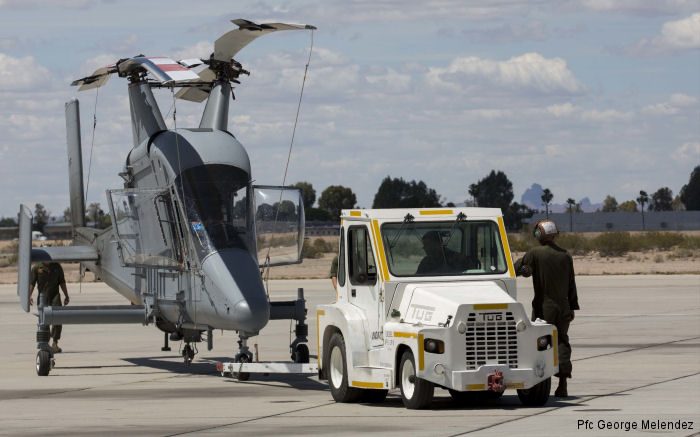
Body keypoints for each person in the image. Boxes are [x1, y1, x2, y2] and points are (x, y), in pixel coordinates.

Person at [514, 219, 579, 397]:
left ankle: (540, 381)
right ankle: (563, 383)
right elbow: (571, 283)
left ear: (539, 234)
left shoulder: (535, 253)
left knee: (540, 344)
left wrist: (525, 269)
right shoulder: (565, 255)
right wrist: (572, 306)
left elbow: (516, 269)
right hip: (564, 308)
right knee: (562, 342)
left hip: (545, 308)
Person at [29, 262, 70, 353]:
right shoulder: (36, 267)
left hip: (55, 296)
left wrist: (66, 296)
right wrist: (29, 295)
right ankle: (45, 343)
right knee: (44, 320)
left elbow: (62, 282)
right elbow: (32, 283)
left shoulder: (57, 267)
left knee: (58, 318)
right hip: (43, 297)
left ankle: (55, 342)